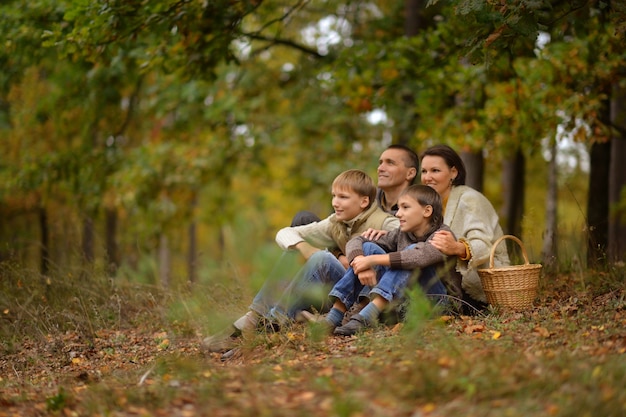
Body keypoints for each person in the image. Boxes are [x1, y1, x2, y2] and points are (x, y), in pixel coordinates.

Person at [203, 169, 399, 353]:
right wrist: (304, 247)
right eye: (334, 196)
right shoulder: (337, 223)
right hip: (339, 292)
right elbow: (285, 233)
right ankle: (252, 319)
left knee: (321, 258)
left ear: (364, 201)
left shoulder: (384, 222)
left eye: (343, 197)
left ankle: (271, 322)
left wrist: (394, 235)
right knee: (294, 250)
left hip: (367, 297)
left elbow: (415, 240)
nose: (335, 202)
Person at [322, 184, 459, 336]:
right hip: (406, 302)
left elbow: (418, 257)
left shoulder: (442, 235)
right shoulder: (402, 233)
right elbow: (356, 241)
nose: (398, 214)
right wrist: (361, 259)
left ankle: (367, 317)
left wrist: (372, 260)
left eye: (405, 207)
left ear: (427, 211)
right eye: (398, 208)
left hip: (439, 303)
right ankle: (335, 314)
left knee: (408, 255)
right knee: (367, 247)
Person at [420, 144, 510, 311]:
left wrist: (457, 247)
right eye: (424, 171)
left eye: (435, 171)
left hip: (482, 285)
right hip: (449, 282)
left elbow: (484, 247)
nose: (427, 177)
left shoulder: (469, 199)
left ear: (453, 173)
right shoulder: (432, 205)